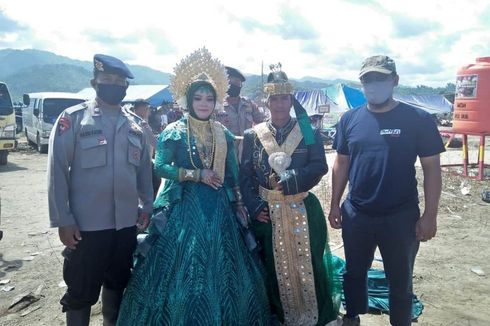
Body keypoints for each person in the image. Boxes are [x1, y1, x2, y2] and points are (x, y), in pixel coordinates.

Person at [117, 48, 270, 326]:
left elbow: (233, 173)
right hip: (184, 208)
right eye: (198, 97)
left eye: (209, 98)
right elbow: (159, 167)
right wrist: (195, 174)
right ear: (188, 99)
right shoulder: (174, 131)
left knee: (225, 267)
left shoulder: (222, 133)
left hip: (220, 209)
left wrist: (238, 203)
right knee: (183, 266)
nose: (203, 103)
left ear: (216, 101)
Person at [328, 55, 444, 326]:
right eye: (368, 79)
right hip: (357, 214)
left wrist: (430, 215)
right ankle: (353, 316)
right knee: (355, 272)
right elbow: (341, 163)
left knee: (400, 278)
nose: (374, 84)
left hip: (400, 216)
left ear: (395, 80)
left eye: (380, 78)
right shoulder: (349, 120)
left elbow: (432, 169)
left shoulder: (418, 119)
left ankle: (400, 322)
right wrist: (335, 203)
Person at [47, 54, 154, 326]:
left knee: (117, 284)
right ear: (94, 82)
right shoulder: (73, 120)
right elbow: (57, 171)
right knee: (80, 294)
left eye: (120, 81)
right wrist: (63, 220)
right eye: (108, 80)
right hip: (86, 227)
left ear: (127, 87)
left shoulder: (136, 125)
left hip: (126, 225)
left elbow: (144, 172)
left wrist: (147, 207)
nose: (114, 85)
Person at [240, 65, 341, 326]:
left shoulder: (307, 129)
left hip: (302, 206)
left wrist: (292, 180)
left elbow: (320, 165)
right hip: (266, 212)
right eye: (274, 98)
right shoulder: (253, 134)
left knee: (311, 262)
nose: (280, 104)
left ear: (291, 99)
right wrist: (252, 206)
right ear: (266, 101)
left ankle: (317, 314)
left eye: (284, 98)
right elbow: (245, 174)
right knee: (272, 267)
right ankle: (281, 315)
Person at [218, 66, 265, 160]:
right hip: (226, 156)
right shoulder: (217, 106)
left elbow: (262, 122)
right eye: (231, 83)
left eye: (237, 83)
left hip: (248, 154)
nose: (234, 86)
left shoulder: (248, 104)